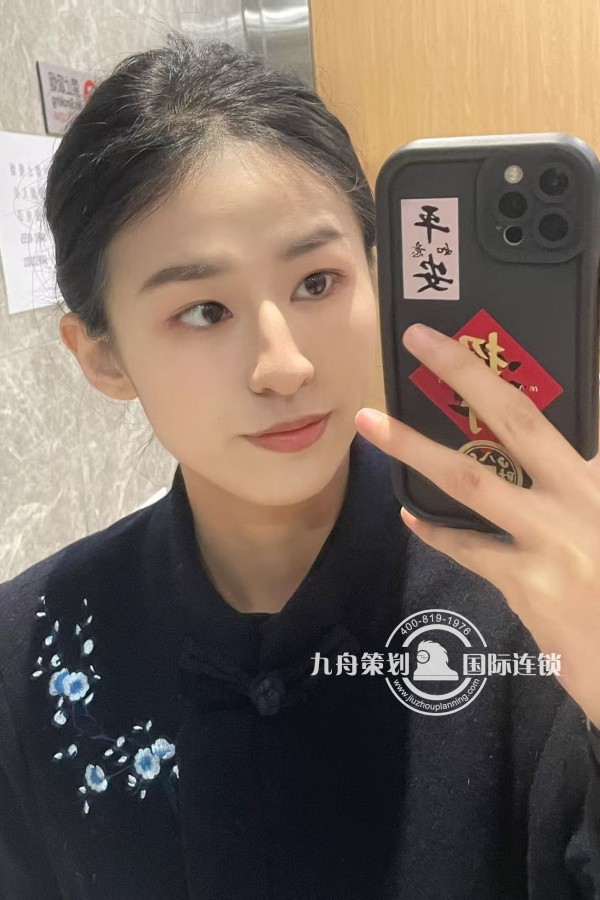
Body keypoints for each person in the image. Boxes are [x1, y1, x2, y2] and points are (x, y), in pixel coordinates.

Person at [0, 31, 599, 900]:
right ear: (103, 355)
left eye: (317, 283)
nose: (283, 365)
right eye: (203, 311)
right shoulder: (30, 647)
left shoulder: (532, 602)